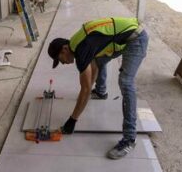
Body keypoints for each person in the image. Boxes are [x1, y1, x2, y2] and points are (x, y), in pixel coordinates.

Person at [48, 17, 148, 159]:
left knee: (126, 82)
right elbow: (92, 67)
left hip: (135, 39)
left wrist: (72, 120)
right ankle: (101, 92)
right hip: (123, 36)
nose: (63, 63)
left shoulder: (81, 51)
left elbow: (86, 89)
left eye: (60, 59)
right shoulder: (77, 42)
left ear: (65, 49)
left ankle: (129, 140)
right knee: (98, 59)